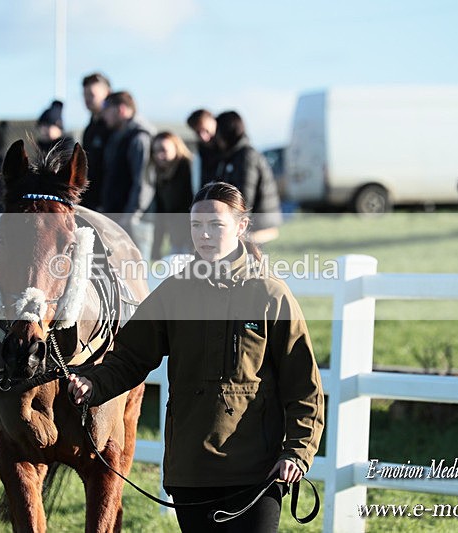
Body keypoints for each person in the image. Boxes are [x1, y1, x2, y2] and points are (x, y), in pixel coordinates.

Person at [68, 181, 325, 532]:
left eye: (216, 225)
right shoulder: (175, 292)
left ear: (241, 225)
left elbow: (303, 384)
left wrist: (297, 451)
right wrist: (92, 383)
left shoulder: (270, 294)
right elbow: (129, 357)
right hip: (191, 471)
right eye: (196, 226)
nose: (204, 235)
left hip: (257, 472)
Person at [100, 90, 156, 259]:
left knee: (138, 276)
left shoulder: (140, 138)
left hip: (135, 222)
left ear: (121, 110)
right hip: (120, 220)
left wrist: (131, 216)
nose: (104, 117)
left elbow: (144, 181)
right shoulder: (119, 136)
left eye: (107, 111)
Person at [214, 111, 283, 244]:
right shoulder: (234, 155)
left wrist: (233, 224)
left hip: (259, 226)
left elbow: (244, 196)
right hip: (255, 222)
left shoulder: (245, 156)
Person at [149, 131, 194, 260]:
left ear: (176, 148)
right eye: (155, 151)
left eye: (163, 150)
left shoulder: (189, 168)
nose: (159, 155)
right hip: (175, 236)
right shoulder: (161, 175)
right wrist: (156, 247)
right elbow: (161, 212)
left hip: (193, 236)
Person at [80, 72, 113, 210]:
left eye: (92, 94)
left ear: (107, 93)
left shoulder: (113, 128)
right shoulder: (89, 129)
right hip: (92, 202)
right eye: (85, 95)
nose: (87, 99)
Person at [186, 108, 221, 186]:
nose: (203, 137)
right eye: (198, 132)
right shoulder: (200, 155)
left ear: (214, 122)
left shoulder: (232, 151)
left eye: (205, 130)